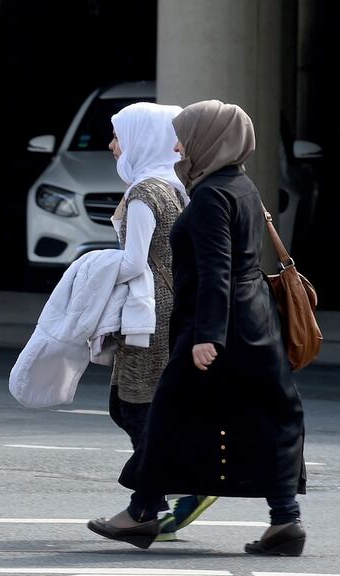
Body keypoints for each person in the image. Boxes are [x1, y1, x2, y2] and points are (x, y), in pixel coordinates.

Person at [88, 100, 307, 556]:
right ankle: (284, 520)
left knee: (167, 414)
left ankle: (141, 513)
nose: (177, 144)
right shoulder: (241, 185)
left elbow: (216, 270)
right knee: (269, 416)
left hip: (218, 324)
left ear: (208, 140)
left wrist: (207, 336)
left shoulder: (209, 196)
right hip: (256, 322)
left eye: (185, 135)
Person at [105, 102, 215, 542]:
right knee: (145, 406)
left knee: (132, 406)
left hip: (147, 314)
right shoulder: (177, 185)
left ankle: (168, 495)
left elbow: (134, 261)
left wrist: (88, 272)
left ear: (139, 138)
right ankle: (157, 502)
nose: (113, 146)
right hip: (171, 308)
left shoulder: (145, 192)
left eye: (117, 135)